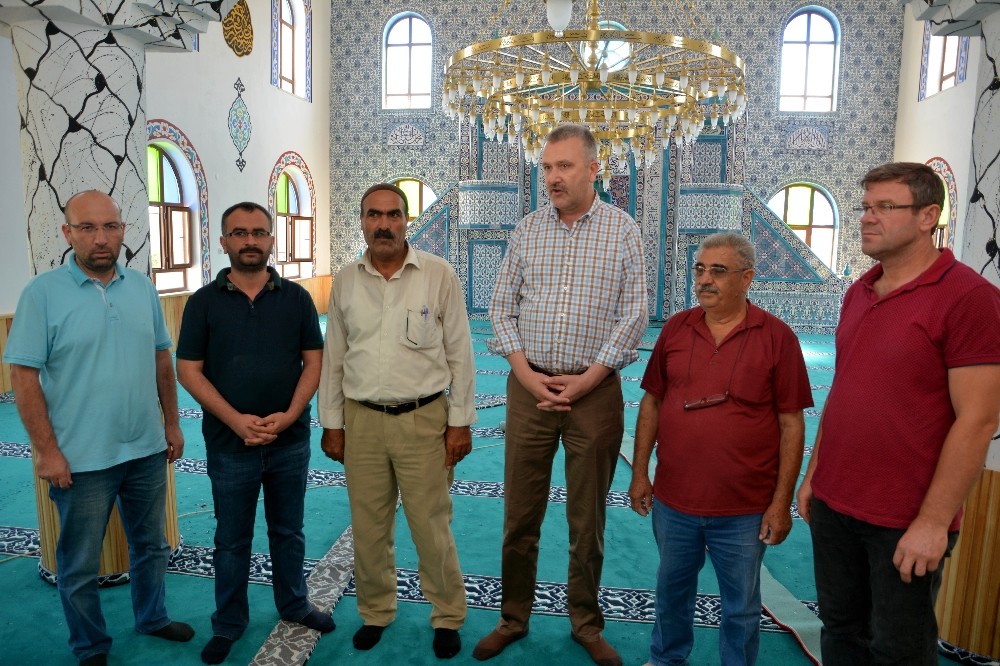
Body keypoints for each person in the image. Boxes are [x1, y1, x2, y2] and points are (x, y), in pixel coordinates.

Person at [797, 162, 1000, 665]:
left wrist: (933, 522)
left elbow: (977, 420)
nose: (867, 218)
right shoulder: (859, 292)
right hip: (835, 503)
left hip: (904, 517)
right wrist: (814, 475)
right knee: (841, 633)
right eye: (866, 207)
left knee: (898, 650)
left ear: (928, 216)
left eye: (885, 207)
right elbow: (844, 392)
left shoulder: (970, 299)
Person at [476, 124, 647, 666]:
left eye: (564, 167)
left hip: (592, 394)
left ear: (594, 170)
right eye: (547, 167)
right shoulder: (527, 231)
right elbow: (499, 310)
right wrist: (527, 378)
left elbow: (634, 314)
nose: (552, 177)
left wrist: (588, 379)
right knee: (519, 515)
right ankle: (512, 617)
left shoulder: (622, 231)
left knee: (586, 518)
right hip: (530, 389)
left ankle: (586, 623)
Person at [3, 190, 194, 666]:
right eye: (87, 228)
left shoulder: (141, 288)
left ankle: (152, 617)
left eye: (110, 226)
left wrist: (171, 424)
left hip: (146, 449)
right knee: (80, 564)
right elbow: (23, 377)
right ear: (67, 234)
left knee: (150, 546)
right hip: (82, 459)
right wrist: (47, 452)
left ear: (123, 231)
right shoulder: (41, 295)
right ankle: (90, 646)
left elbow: (159, 359)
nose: (100, 238)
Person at [628, 232, 813, 666]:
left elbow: (791, 424)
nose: (704, 279)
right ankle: (666, 658)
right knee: (672, 591)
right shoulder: (676, 328)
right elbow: (652, 401)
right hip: (675, 500)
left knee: (741, 606)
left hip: (745, 508)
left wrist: (780, 502)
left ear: (747, 278)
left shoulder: (776, 337)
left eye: (718, 271)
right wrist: (640, 473)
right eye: (699, 269)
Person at [318, 183, 475, 659]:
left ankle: (447, 614)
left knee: (431, 526)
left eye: (392, 214)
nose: (383, 224)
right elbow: (335, 358)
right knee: (368, 527)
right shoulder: (345, 281)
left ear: (407, 220)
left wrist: (460, 421)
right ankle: (376, 611)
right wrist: (332, 423)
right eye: (373, 215)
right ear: (361, 221)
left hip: (423, 421)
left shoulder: (437, 275)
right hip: (362, 424)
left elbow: (461, 353)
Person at [175, 202, 333, 664]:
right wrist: (235, 420)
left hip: (289, 440)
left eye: (259, 233)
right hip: (230, 444)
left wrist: (290, 414)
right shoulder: (203, 303)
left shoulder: (297, 299)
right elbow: (189, 371)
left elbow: (314, 362)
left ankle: (294, 604)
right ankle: (228, 623)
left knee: (288, 530)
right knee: (231, 537)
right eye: (239, 233)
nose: (250, 241)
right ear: (222, 241)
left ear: (271, 240)